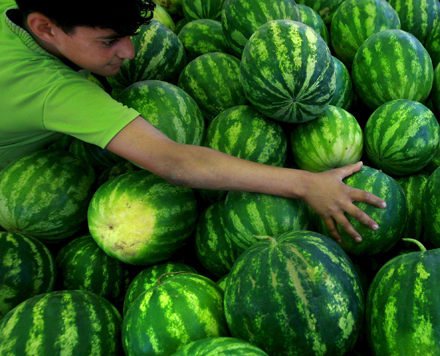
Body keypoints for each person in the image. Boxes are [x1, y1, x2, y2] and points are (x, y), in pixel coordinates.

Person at [0, 0, 386, 243]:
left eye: (131, 35)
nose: (130, 52)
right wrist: (306, 184)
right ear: (45, 27)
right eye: (109, 40)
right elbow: (175, 163)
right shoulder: (55, 92)